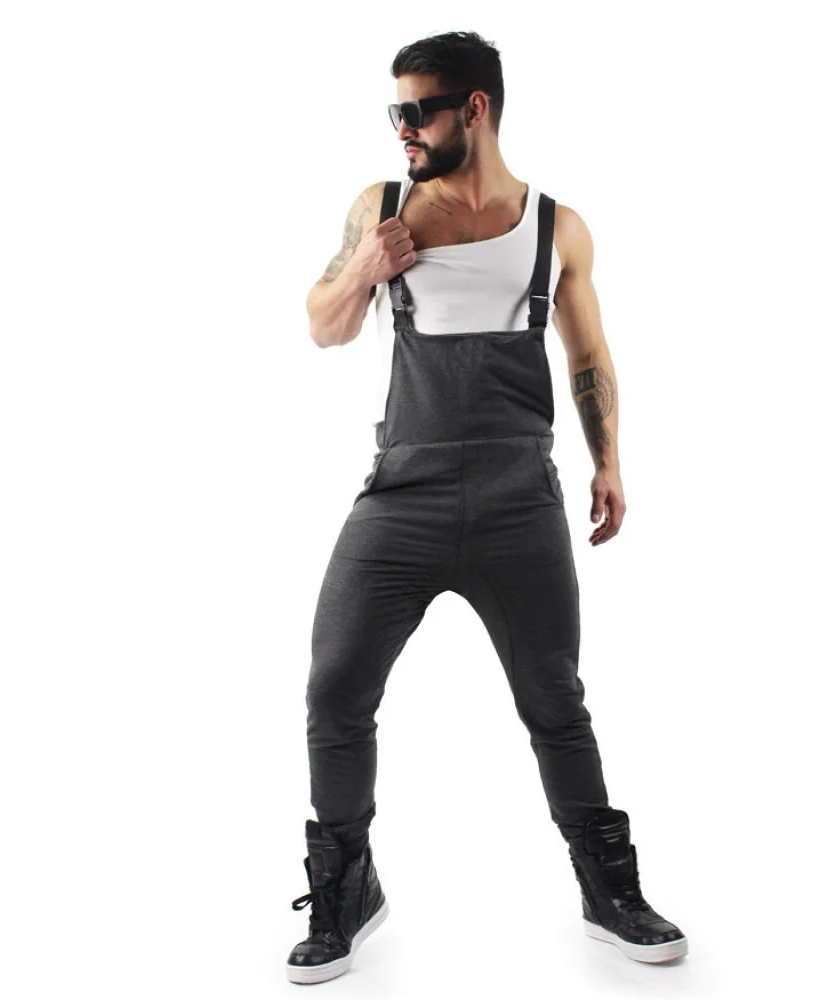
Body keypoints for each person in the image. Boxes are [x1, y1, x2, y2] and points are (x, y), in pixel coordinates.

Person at [287, 31, 687, 985]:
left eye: (416, 111)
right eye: (394, 112)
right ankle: (346, 888)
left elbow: (587, 354)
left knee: (555, 700)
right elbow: (322, 326)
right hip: (402, 495)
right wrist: (364, 270)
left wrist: (609, 462)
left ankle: (609, 891)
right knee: (335, 688)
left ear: (474, 109)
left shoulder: (557, 227)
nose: (401, 130)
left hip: (520, 499)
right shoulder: (382, 208)